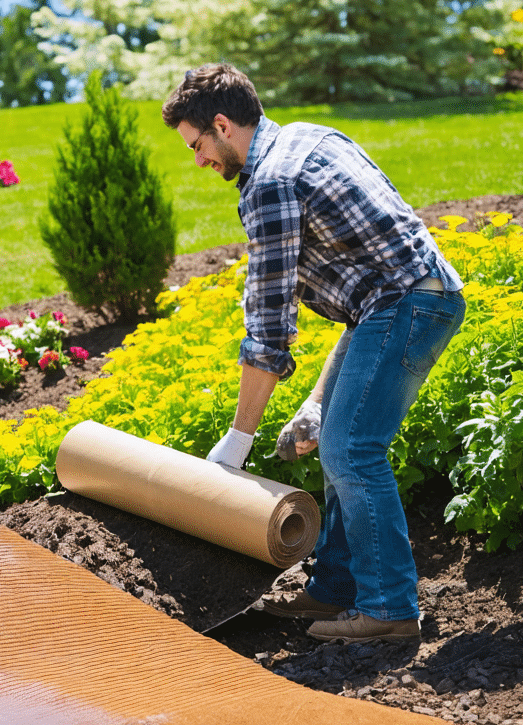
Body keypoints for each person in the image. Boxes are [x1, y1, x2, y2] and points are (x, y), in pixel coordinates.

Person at [161, 64, 466, 643]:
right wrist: (316, 401)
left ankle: (389, 610)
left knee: (352, 448)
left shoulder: (269, 185)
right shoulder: (310, 137)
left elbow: (269, 326)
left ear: (222, 125)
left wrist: (238, 441)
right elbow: (365, 296)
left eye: (196, 145)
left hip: (405, 304)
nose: (198, 160)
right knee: (337, 436)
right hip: (410, 298)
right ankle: (336, 589)